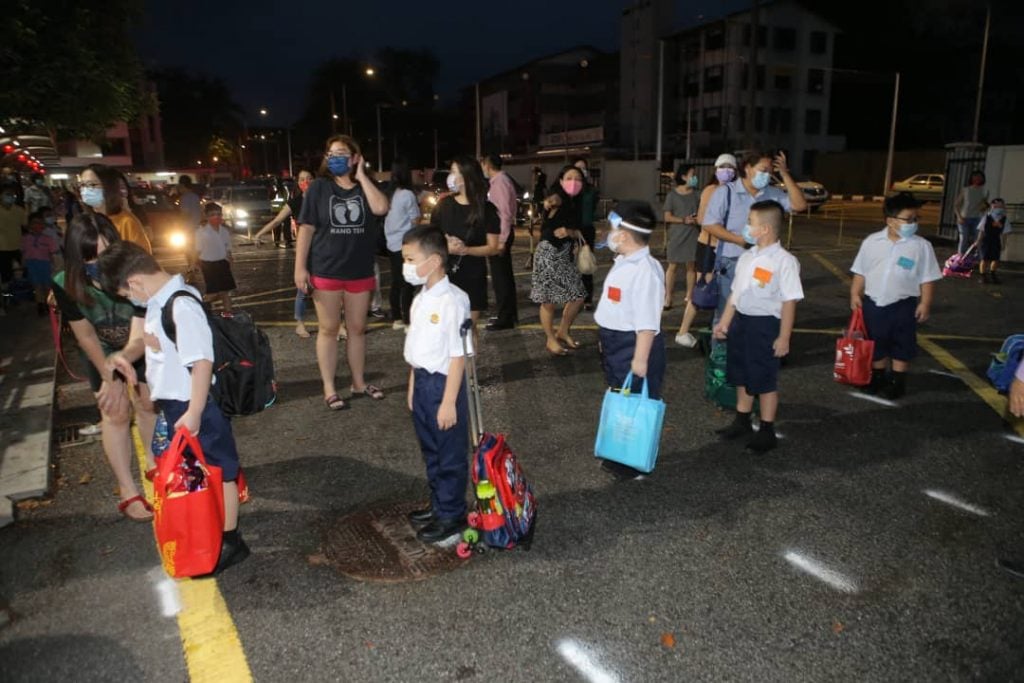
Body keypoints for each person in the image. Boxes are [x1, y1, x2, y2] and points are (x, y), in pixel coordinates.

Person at [99, 241, 249, 573]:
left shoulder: (181, 306)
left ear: (135, 282)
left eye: (126, 294)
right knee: (200, 471)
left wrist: (194, 411)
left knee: (220, 470)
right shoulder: (159, 302)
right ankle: (212, 527)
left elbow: (202, 363)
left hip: (194, 405)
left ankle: (231, 540)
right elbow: (162, 347)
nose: (130, 300)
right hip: (177, 404)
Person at [51, 214, 157, 520]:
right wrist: (109, 377)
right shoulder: (65, 283)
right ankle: (128, 490)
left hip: (138, 343)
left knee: (148, 403)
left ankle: (154, 465)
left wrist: (130, 358)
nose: (98, 263)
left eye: (105, 253)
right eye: (90, 257)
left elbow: (143, 323)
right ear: (77, 257)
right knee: (115, 411)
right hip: (102, 350)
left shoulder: (135, 271)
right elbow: (84, 334)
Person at [295, 135, 390, 411]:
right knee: (329, 329)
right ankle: (329, 387)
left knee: (358, 329)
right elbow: (306, 228)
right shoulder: (319, 188)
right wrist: (300, 267)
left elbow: (381, 207)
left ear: (354, 157)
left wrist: (361, 175)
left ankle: (358, 383)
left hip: (359, 270)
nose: (334, 158)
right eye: (331, 153)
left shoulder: (364, 187)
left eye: (342, 153)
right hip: (326, 269)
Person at [712, 200, 804, 453]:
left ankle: (766, 429)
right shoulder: (747, 257)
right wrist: (725, 322)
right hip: (741, 321)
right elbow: (735, 294)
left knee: (763, 378)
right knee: (741, 372)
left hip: (765, 325)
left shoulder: (784, 261)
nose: (746, 227)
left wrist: (784, 337)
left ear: (764, 229)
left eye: (750, 223)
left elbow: (789, 302)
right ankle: (742, 420)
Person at [401, 226, 472, 543]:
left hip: (446, 386)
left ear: (433, 261)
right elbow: (417, 349)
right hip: (424, 383)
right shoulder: (422, 298)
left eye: (410, 259)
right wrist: (412, 385)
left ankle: (452, 517)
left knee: (450, 455)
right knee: (431, 450)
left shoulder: (454, 301)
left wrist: (447, 402)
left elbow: (459, 357)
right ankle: (439, 505)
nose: (406, 265)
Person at [594, 201, 666, 479]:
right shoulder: (624, 261)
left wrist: (640, 359)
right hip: (616, 342)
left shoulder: (645, 271)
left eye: (613, 229)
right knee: (621, 395)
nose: (608, 234)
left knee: (636, 400)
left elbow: (648, 322)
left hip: (634, 346)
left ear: (623, 235)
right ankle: (622, 452)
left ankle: (634, 461)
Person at [850, 192, 941, 399]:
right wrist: (855, 293)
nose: (913, 223)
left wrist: (925, 303)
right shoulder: (872, 242)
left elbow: (928, 277)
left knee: (901, 343)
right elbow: (860, 270)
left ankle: (898, 381)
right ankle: (878, 377)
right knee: (876, 342)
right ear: (890, 221)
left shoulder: (921, 246)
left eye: (916, 219)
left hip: (903, 304)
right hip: (873, 303)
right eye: (908, 219)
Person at [701, 151, 807, 330]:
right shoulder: (726, 193)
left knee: (758, 309)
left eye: (769, 171)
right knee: (726, 312)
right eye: (763, 170)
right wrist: (738, 240)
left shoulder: (772, 194)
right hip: (732, 261)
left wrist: (784, 174)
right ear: (748, 168)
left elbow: (799, 205)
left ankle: (749, 348)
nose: (766, 175)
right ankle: (720, 352)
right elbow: (709, 224)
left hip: (764, 264)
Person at [429, 157, 501, 339]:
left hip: (473, 277)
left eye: (454, 172)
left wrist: (465, 250)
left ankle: (468, 367)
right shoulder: (443, 206)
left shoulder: (487, 209)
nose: (450, 177)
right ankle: (451, 367)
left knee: (466, 329)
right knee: (447, 330)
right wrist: (445, 244)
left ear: (466, 177)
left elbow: (493, 248)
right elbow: (431, 238)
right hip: (444, 276)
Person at [676, 153, 736, 347]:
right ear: (716, 169)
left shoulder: (738, 190)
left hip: (729, 248)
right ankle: (683, 331)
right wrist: (724, 229)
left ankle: (720, 328)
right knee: (704, 288)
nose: (726, 170)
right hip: (710, 246)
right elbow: (702, 219)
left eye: (730, 167)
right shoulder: (711, 190)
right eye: (722, 166)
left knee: (727, 290)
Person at [530, 166, 588, 357]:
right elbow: (551, 201)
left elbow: (577, 229)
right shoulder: (558, 196)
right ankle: (550, 339)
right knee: (549, 301)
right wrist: (549, 202)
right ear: (561, 180)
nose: (574, 182)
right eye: (569, 177)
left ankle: (562, 331)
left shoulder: (576, 202)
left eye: (578, 178)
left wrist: (571, 232)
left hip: (565, 254)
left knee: (578, 296)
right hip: (549, 252)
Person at [254, 170, 318, 337]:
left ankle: (339, 324)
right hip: (305, 251)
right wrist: (259, 234)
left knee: (332, 288)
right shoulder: (295, 202)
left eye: (309, 178)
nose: (306, 182)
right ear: (298, 183)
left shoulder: (323, 200)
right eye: (302, 179)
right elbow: (277, 220)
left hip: (324, 250)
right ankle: (300, 324)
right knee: (303, 290)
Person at [480, 154, 519, 330]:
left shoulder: (500, 182)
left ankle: (505, 317)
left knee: (501, 278)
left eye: (482, 164)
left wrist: (501, 240)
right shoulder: (500, 181)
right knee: (504, 277)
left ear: (487, 165)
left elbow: (504, 213)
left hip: (500, 235)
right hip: (501, 234)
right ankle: (509, 314)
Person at [79, 164, 152, 253]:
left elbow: (142, 260)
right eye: (82, 185)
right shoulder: (83, 222)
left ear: (108, 187)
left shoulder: (127, 222)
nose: (86, 190)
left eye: (92, 184)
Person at [383, 159, 421, 330]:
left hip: (391, 243)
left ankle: (397, 317)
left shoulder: (390, 194)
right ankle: (408, 320)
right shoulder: (408, 194)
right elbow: (415, 219)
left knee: (396, 282)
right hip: (404, 244)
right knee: (408, 283)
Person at [662, 163, 701, 311]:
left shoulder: (698, 194)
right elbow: (667, 216)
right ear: (684, 176)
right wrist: (683, 220)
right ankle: (668, 297)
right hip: (677, 234)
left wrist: (697, 219)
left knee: (691, 266)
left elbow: (703, 213)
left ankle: (689, 296)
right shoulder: (672, 195)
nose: (695, 178)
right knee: (672, 266)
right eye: (692, 175)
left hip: (693, 234)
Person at [195, 202, 236, 313]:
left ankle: (228, 315)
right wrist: (194, 266)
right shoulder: (201, 232)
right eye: (213, 214)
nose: (216, 217)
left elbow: (227, 249)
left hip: (223, 264)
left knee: (225, 292)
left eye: (219, 214)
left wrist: (231, 264)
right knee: (213, 293)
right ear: (207, 216)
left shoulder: (224, 231)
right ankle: (199, 307)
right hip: (208, 265)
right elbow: (197, 250)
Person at [572, 157, 601, 309]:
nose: (581, 171)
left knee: (586, 263)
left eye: (583, 168)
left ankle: (587, 298)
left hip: (587, 229)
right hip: (571, 230)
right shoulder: (569, 190)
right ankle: (571, 296)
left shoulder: (591, 190)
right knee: (569, 263)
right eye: (577, 168)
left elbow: (593, 209)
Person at [21, 210, 59, 315]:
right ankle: (40, 305)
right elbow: (24, 252)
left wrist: (54, 265)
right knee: (37, 286)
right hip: (32, 264)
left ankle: (50, 305)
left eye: (39, 223)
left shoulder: (48, 239)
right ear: (29, 225)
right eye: (34, 223)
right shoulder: (25, 239)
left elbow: (53, 253)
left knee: (48, 286)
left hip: (45, 264)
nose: (37, 225)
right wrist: (23, 264)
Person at [975, 198, 1011, 284]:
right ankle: (983, 276)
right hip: (986, 240)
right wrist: (978, 241)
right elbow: (981, 230)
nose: (998, 206)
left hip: (996, 240)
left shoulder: (1004, 219)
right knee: (984, 258)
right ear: (992, 205)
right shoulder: (986, 217)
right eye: (995, 204)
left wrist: (1004, 243)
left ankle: (993, 274)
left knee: (995, 259)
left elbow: (1005, 233)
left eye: (1000, 205)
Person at [0, 183, 26, 305]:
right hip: (2, 248)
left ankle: (19, 295)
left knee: (21, 273)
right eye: (7, 194)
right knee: (5, 275)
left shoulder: (19, 210)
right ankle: (6, 297)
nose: (11, 196)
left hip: (18, 246)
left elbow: (26, 226)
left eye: (12, 194)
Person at [954, 170, 988, 256]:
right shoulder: (966, 190)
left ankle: (978, 259)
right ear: (972, 178)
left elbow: (983, 207)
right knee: (964, 238)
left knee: (978, 239)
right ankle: (960, 258)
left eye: (979, 177)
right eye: (975, 177)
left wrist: (985, 206)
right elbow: (956, 205)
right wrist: (959, 217)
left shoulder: (984, 191)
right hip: (964, 218)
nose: (977, 179)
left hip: (977, 218)